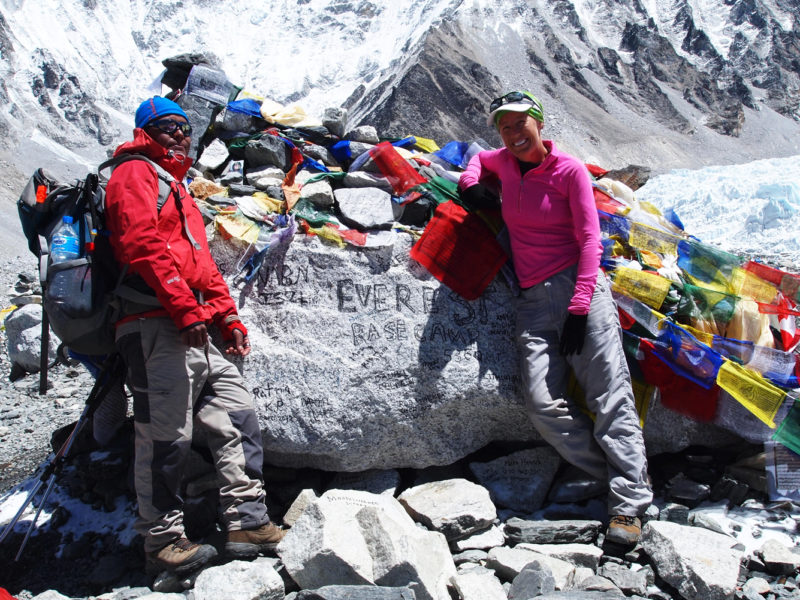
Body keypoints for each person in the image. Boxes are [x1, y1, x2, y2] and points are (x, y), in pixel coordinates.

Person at [458, 91, 652, 546]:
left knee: (609, 396)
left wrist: (580, 308)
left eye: (520, 123)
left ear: (539, 123)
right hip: (532, 300)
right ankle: (616, 475)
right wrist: (470, 184)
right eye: (504, 126)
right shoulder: (503, 162)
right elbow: (476, 160)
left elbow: (590, 241)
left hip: (579, 291)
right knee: (543, 405)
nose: (513, 133)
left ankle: (628, 504)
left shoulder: (570, 171)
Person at [104, 96, 285, 575]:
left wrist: (228, 319)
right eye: (168, 127)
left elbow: (201, 266)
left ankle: (248, 521)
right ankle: (162, 540)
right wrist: (186, 311)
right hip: (152, 322)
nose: (180, 135)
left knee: (237, 416)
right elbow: (141, 245)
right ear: (146, 131)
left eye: (185, 128)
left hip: (193, 325)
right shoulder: (133, 173)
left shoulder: (176, 185)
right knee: (165, 437)